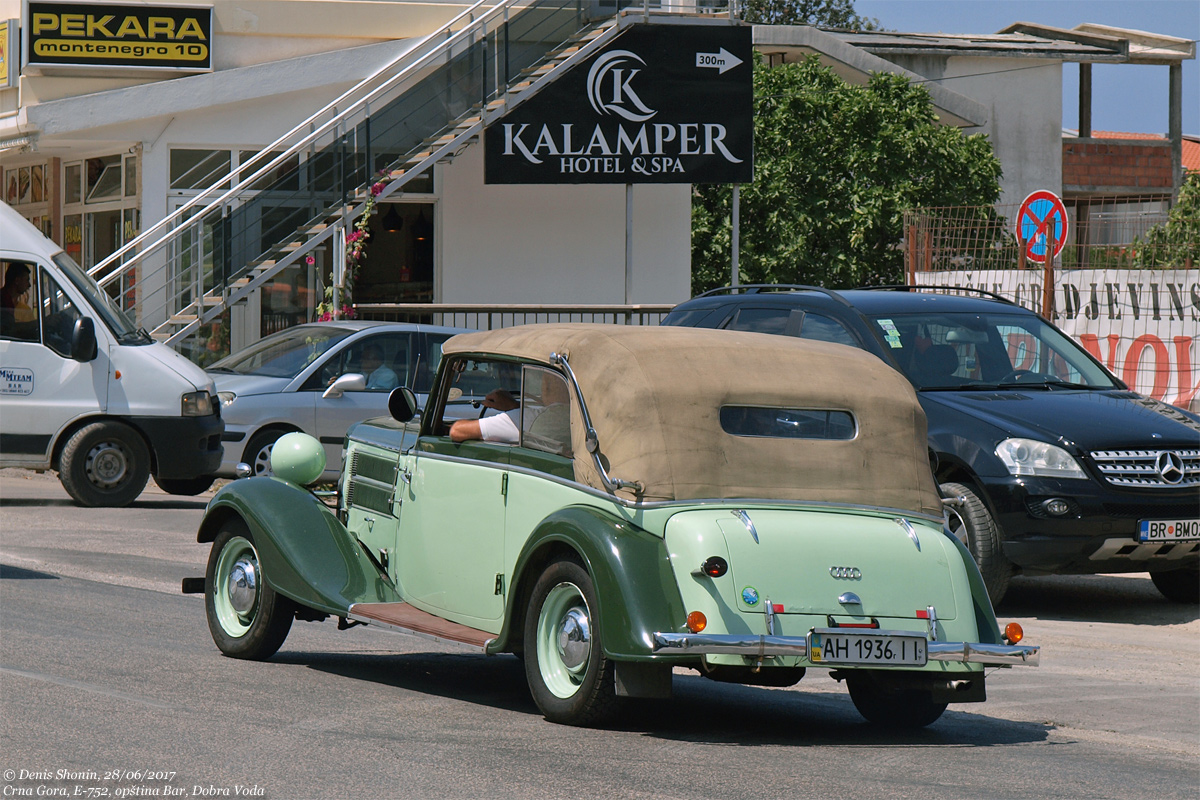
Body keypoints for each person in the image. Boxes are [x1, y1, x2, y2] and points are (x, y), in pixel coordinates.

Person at [0, 262, 37, 340]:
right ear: (17, 281)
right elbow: (8, 329)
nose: (29, 285)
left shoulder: (24, 309)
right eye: (27, 280)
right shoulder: (3, 301)